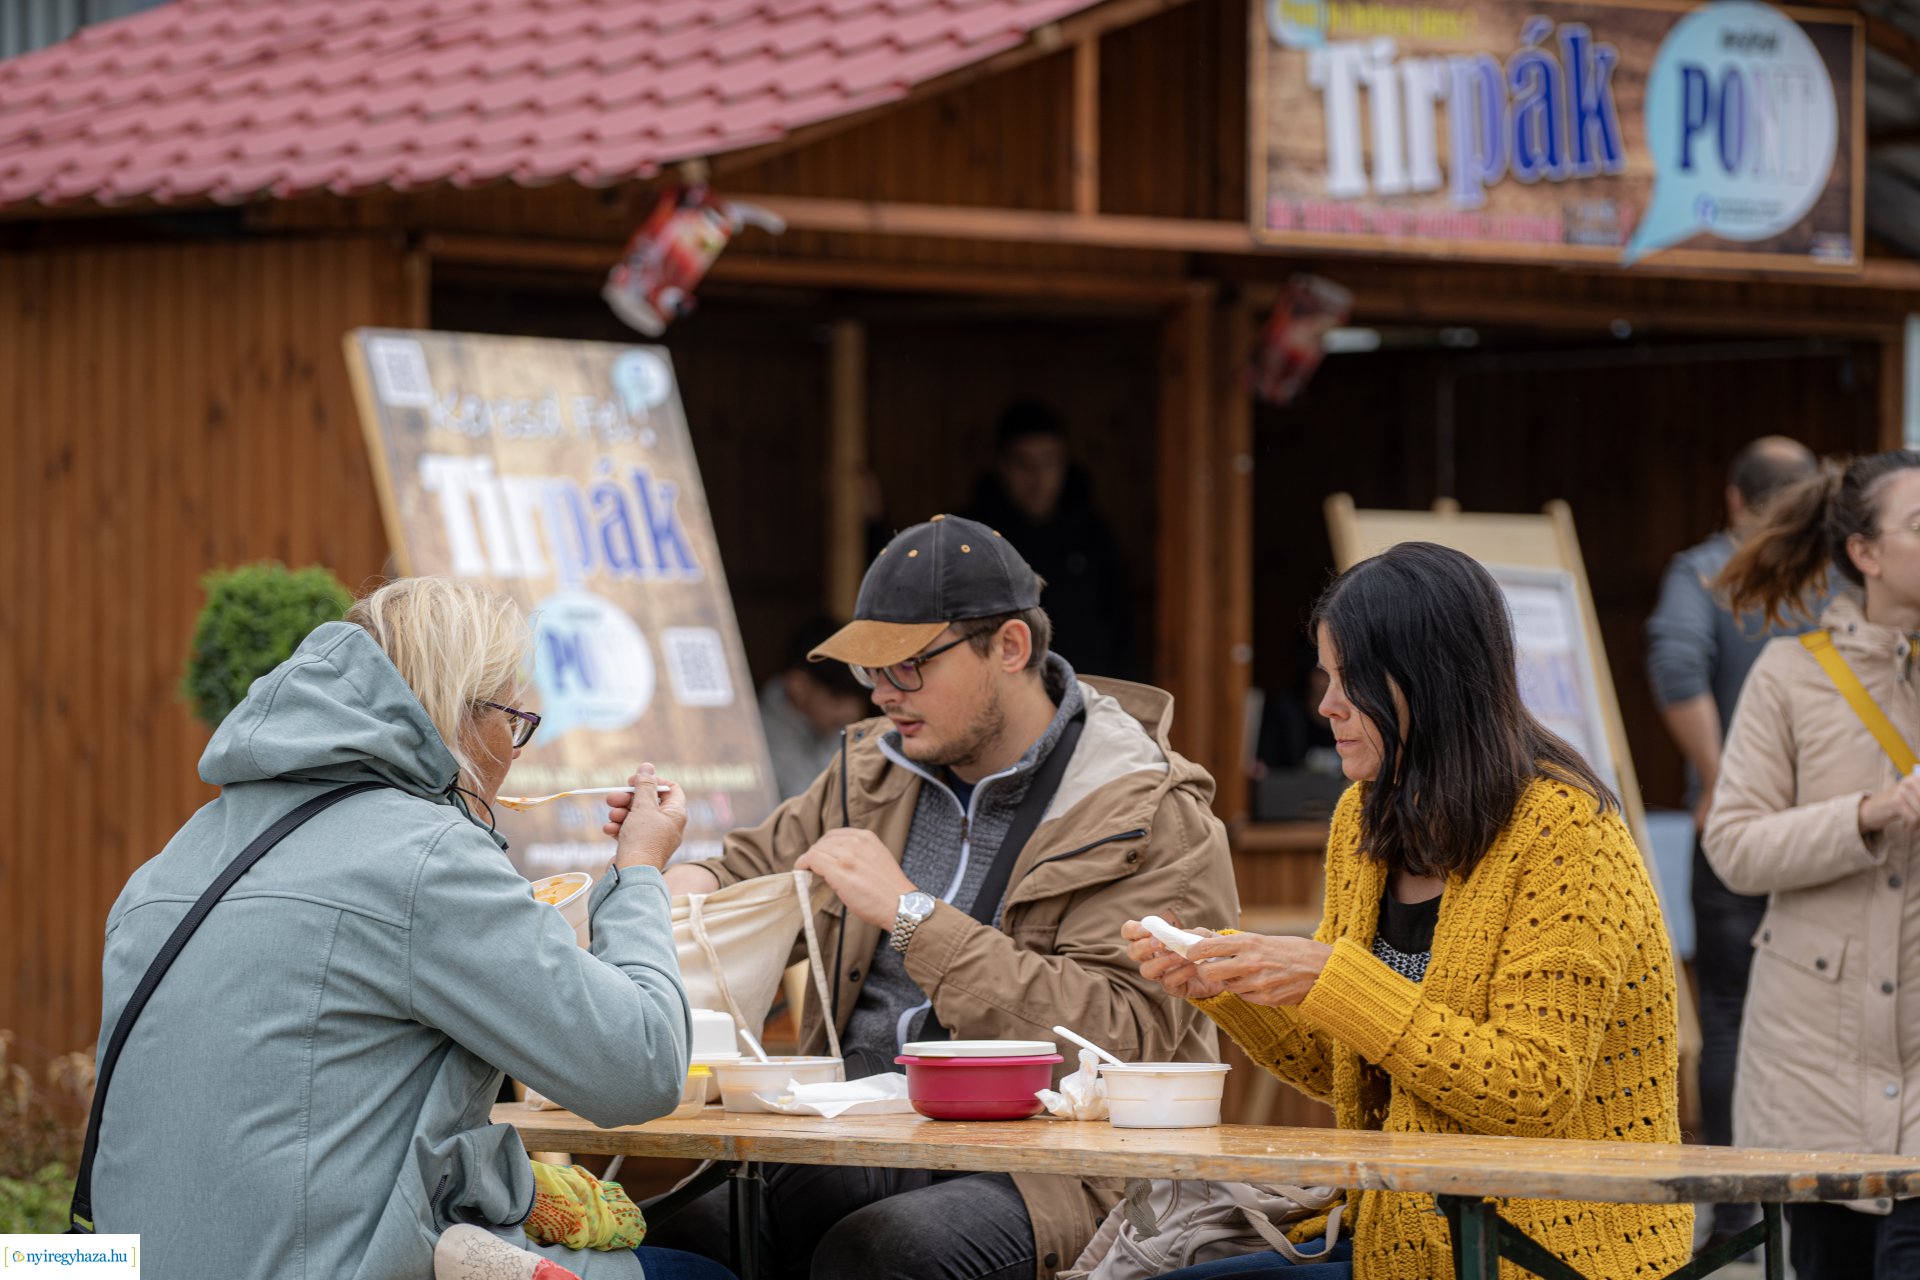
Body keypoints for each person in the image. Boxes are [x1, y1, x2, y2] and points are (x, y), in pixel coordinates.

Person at [638, 514, 1240, 1280]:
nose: (882, 695)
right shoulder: (870, 770)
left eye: (908, 666)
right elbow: (750, 868)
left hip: (1061, 1163)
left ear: (1011, 647)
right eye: (870, 671)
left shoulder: (1147, 807)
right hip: (864, 1126)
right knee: (679, 1238)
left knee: (881, 1254)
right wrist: (681, 884)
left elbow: (1121, 1040)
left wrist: (912, 917)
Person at [90, 576, 732, 1280]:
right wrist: (638, 870)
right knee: (707, 1271)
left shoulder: (167, 865)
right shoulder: (426, 858)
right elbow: (642, 1067)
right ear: (459, 714)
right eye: (513, 719)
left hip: (139, 1263)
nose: (517, 748)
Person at [1127, 542, 1692, 1280]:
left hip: (1542, 1252)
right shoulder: (1363, 818)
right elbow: (1342, 1065)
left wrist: (1333, 977)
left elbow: (1533, 1090)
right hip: (1396, 1240)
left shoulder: (1567, 833)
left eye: (1351, 680)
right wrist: (1228, 984)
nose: (1326, 704)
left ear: (1431, 680)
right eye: (1326, 677)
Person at [1706, 450, 1920, 1280]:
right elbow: (1734, 847)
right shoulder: (1791, 675)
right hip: (1812, 1064)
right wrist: (1868, 813)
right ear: (1865, 552)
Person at [1643, 434, 1820, 1251]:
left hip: (1739, 835)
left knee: (1729, 1015)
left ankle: (1740, 1213)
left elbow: (1676, 665)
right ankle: (1821, 1201)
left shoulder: (1707, 570)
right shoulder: (1845, 575)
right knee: (1827, 1017)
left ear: (1733, 498)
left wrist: (1719, 780)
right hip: (1839, 833)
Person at [963, 401, 1137, 679]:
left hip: (1087, 688)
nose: (1037, 477)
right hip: (1000, 689)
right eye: (1023, 463)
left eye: (1049, 461)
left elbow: (1121, 628)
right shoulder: (973, 537)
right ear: (1001, 465)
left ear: (1065, 463)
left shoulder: (1093, 536)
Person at [759, 616, 873, 799]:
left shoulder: (833, 727)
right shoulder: (759, 733)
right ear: (798, 684)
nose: (851, 711)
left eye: (859, 697)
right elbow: (807, 802)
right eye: (837, 695)